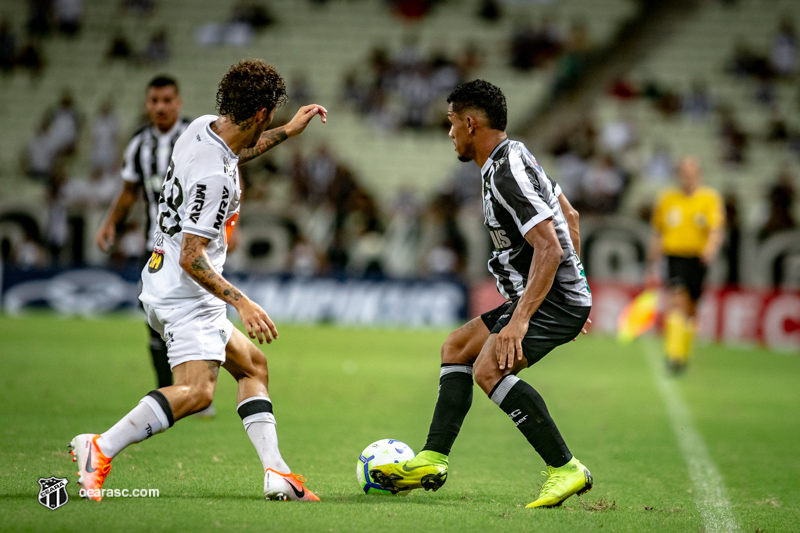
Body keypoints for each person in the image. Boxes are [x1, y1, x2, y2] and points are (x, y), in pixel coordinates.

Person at [70, 59, 328, 502]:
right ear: (262, 112)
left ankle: (277, 472)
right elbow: (193, 257)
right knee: (196, 392)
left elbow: (237, 150)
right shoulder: (216, 179)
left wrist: (287, 131)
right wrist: (242, 302)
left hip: (162, 278)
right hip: (186, 293)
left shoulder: (202, 128)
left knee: (253, 366)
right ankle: (100, 447)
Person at [370, 80, 593, 509]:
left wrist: (523, 319)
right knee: (457, 347)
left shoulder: (508, 173)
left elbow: (550, 247)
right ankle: (433, 459)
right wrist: (575, 284)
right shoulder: (512, 157)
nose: (449, 132)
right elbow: (570, 215)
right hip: (554, 296)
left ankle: (565, 468)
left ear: (470, 123)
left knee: (489, 369)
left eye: (451, 122)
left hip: (549, 300)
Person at [95, 75, 191, 399]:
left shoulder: (196, 136)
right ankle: (167, 392)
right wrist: (110, 222)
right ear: (146, 104)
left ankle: (196, 390)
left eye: (167, 100)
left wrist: (233, 228)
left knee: (196, 318)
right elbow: (128, 192)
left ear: (178, 102)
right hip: (156, 247)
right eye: (154, 101)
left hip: (195, 246)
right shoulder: (139, 144)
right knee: (154, 320)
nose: (160, 107)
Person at [647, 157, 724, 374]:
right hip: (675, 257)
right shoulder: (667, 198)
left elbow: (716, 229)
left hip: (698, 260)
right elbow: (658, 232)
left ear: (698, 175)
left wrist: (710, 249)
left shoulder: (709, 199)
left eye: (691, 174)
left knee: (691, 310)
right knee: (677, 301)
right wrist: (651, 262)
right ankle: (674, 356)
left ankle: (683, 353)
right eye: (683, 173)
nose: (687, 178)